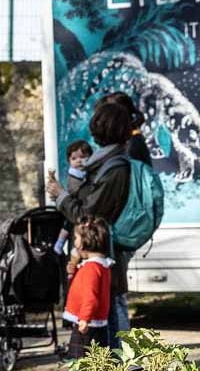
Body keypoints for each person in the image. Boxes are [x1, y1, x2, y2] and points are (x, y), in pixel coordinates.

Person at [46, 93, 149, 344]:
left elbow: (87, 215)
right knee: (112, 311)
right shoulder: (110, 163)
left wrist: (61, 196)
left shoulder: (114, 168)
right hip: (108, 252)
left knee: (110, 314)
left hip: (106, 253)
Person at [61, 219, 112, 359]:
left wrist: (84, 318)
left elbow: (90, 296)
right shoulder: (101, 266)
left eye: (76, 238)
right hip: (95, 323)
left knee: (86, 363)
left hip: (87, 324)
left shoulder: (91, 268)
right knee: (96, 362)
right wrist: (73, 271)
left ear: (86, 241)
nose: (74, 242)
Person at [53, 140, 94, 256]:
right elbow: (77, 192)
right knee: (68, 224)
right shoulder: (75, 175)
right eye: (74, 158)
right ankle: (60, 242)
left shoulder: (87, 174)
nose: (79, 161)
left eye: (83, 157)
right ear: (69, 161)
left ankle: (61, 243)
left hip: (78, 205)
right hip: (75, 204)